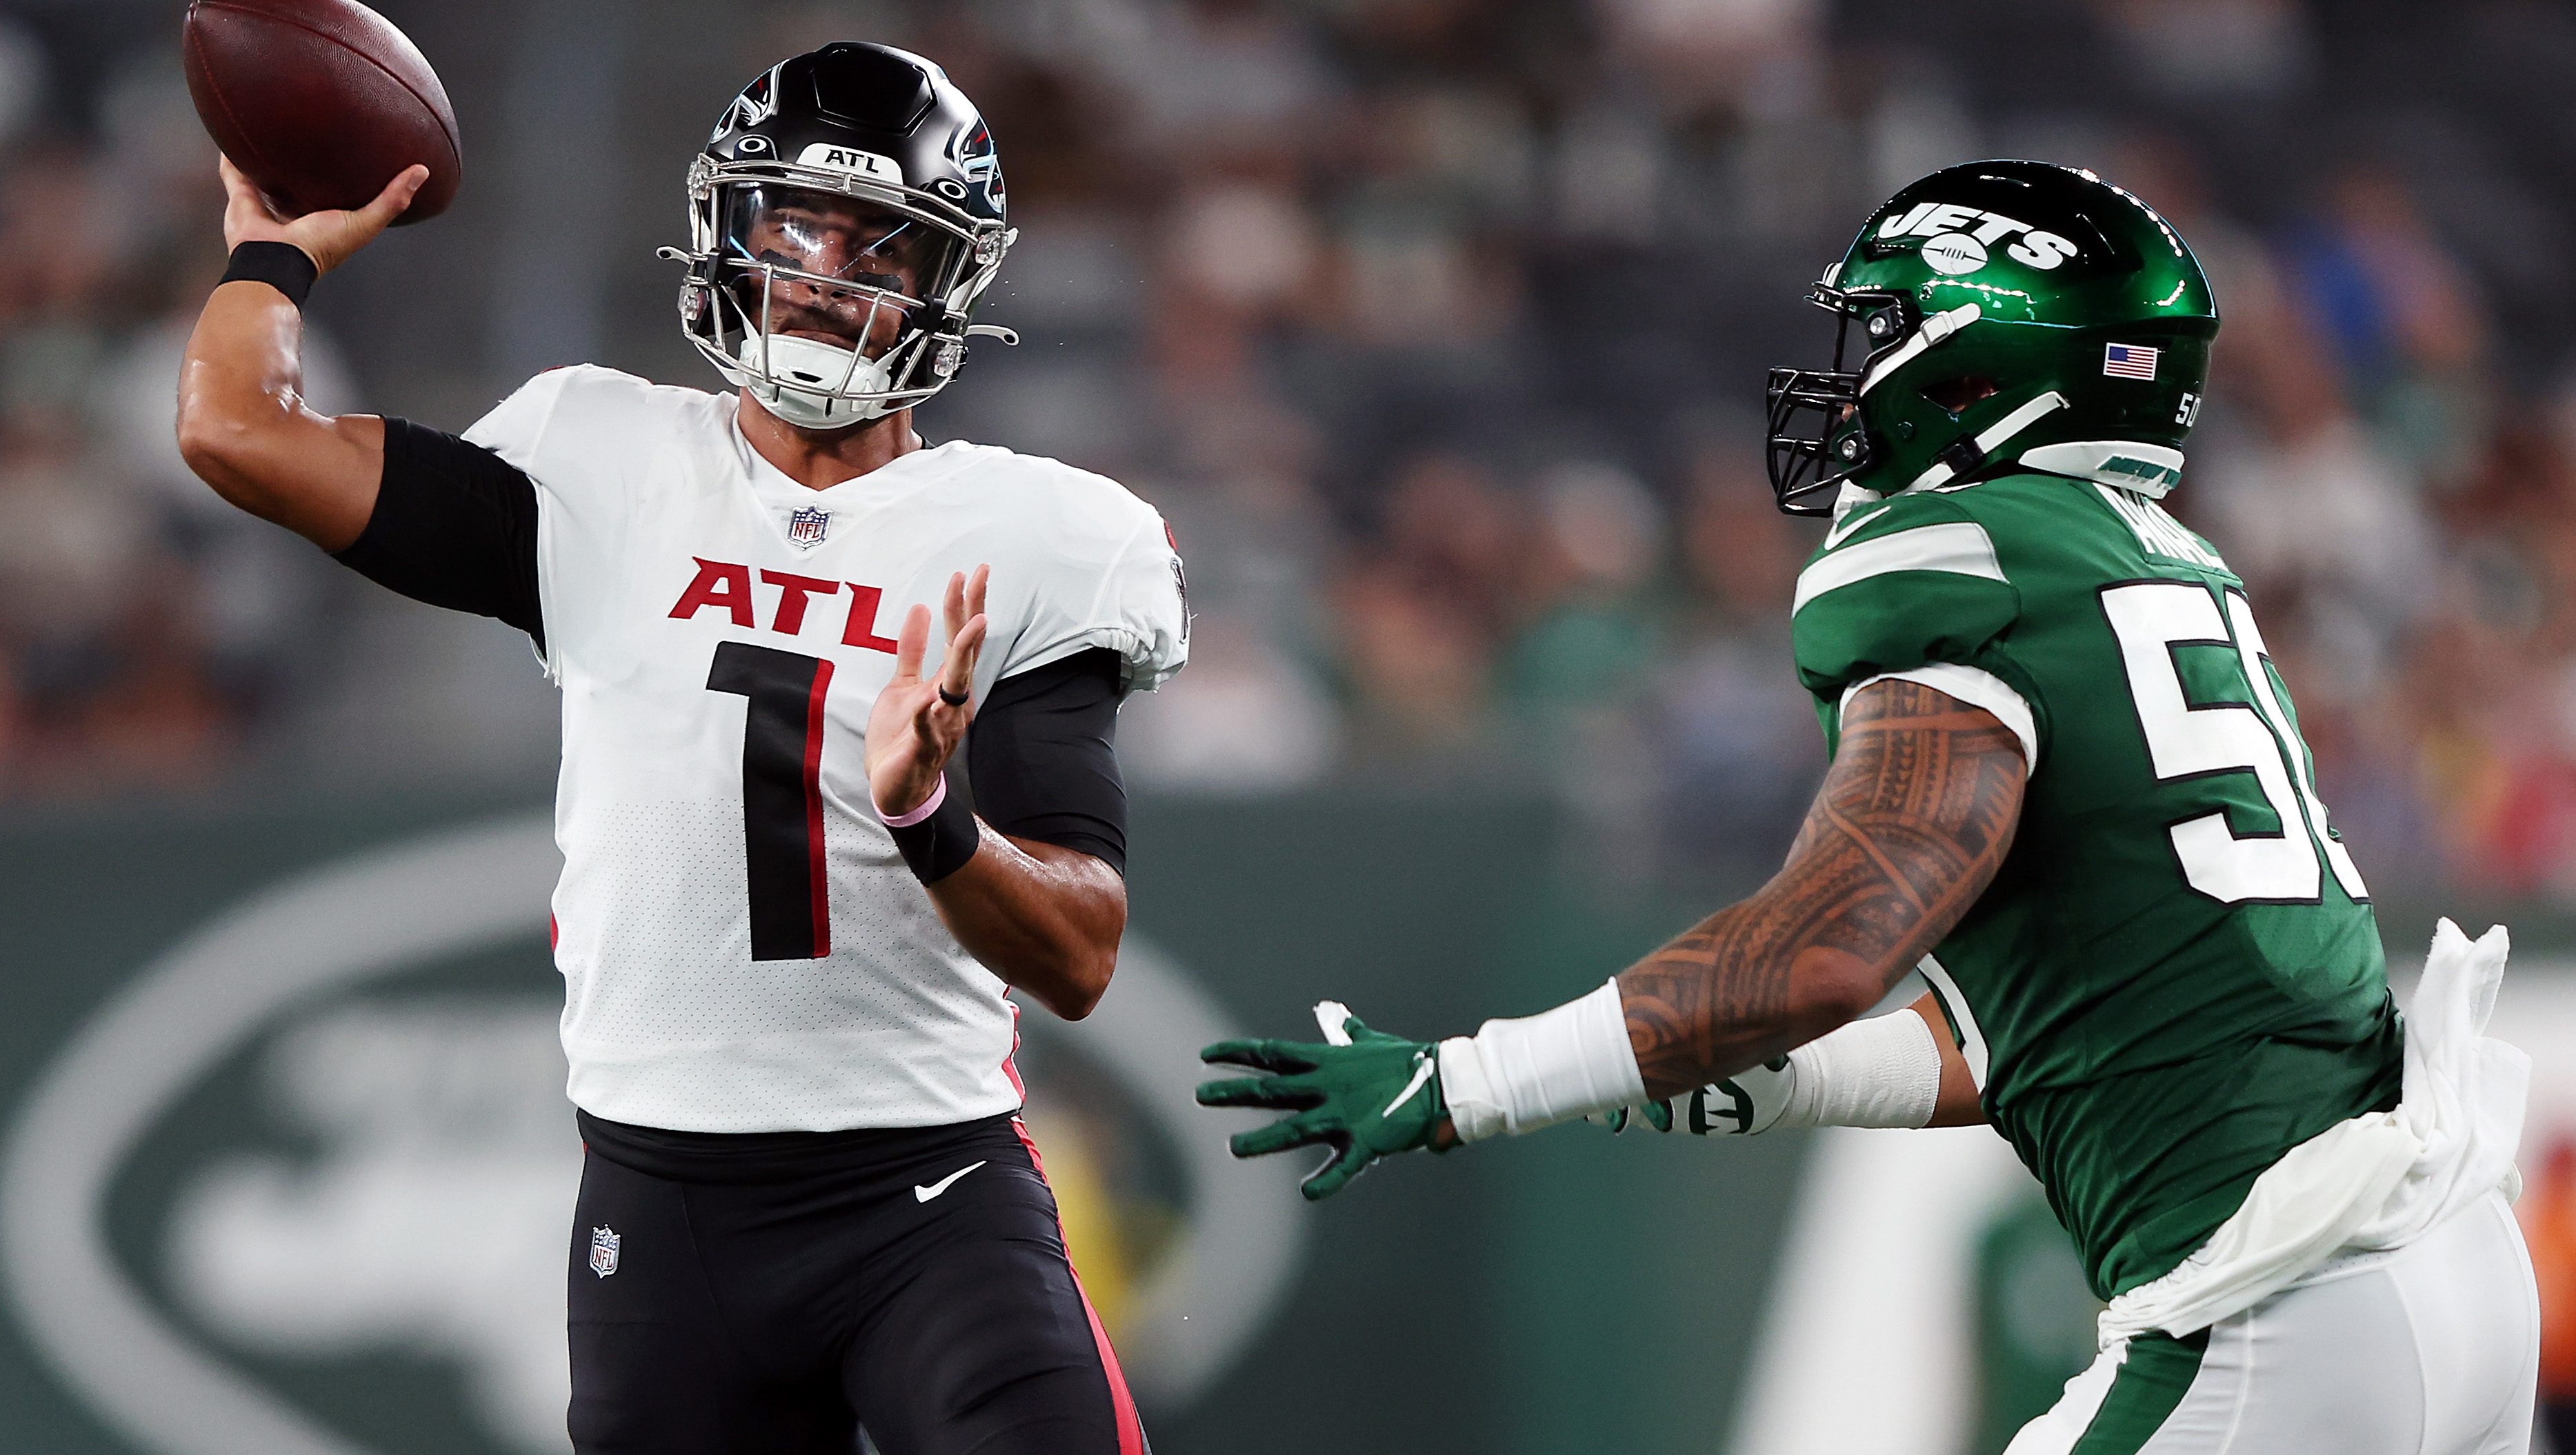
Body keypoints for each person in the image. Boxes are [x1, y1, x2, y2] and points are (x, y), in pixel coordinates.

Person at [1199, 160, 2536, 1454]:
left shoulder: (1952, 553)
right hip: (2445, 1264)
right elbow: (2028, 1035)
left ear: (1987, 362)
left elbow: (1823, 944)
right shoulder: (2159, 560)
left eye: (1884, 328)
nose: (1850, 371)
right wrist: (1733, 1080)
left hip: (2274, 1290)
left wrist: (1465, 1080)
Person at [176, 41, 1180, 1455]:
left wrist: (930, 817)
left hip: (928, 1193)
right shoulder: (597, 458)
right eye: (793, 226)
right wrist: (273, 262)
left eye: (875, 240)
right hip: (665, 1209)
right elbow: (233, 427)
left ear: (946, 274)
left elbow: (1077, 954)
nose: (827, 271)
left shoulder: (1034, 536)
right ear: (726, 231)